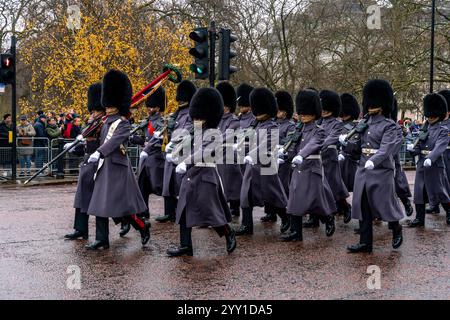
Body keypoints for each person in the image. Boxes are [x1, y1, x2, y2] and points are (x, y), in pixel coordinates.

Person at [167, 88, 237, 257]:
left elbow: (203, 152)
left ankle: (227, 232)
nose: (196, 119)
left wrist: (185, 161)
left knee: (210, 213)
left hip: (206, 176)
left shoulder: (215, 134)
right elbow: (186, 148)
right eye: (195, 116)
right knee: (183, 211)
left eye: (200, 116)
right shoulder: (194, 132)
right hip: (190, 177)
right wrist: (173, 152)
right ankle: (185, 246)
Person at [86, 69, 150, 250]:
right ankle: (101, 239)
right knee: (99, 203)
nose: (108, 107)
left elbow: (114, 141)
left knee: (124, 208)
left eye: (110, 105)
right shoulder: (105, 121)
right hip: (104, 167)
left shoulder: (122, 123)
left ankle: (143, 227)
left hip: (118, 169)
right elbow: (96, 139)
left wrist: (99, 152)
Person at [347, 79, 404, 253]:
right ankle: (365, 242)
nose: (371, 107)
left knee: (384, 204)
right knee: (363, 206)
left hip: (381, 171)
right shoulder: (364, 124)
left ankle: (396, 228)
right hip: (363, 170)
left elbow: (387, 148)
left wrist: (375, 159)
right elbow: (357, 148)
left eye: (374, 103)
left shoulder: (390, 126)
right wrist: (347, 142)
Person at [280, 89, 336, 241]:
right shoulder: (298, 129)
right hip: (298, 169)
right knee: (295, 199)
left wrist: (301, 155)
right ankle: (296, 233)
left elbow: (313, 144)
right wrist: (283, 154)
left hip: (312, 169)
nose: (303, 115)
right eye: (302, 112)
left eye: (306, 112)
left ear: (313, 113)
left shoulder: (320, 131)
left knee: (315, 201)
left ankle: (328, 218)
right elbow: (291, 147)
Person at [237, 87, 289, 236]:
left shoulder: (272, 126)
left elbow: (265, 145)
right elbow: (248, 141)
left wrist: (251, 154)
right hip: (252, 166)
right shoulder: (255, 125)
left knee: (272, 196)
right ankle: (247, 226)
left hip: (266, 166)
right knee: (245, 195)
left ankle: (285, 218)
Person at [65, 83, 104, 241]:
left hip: (100, 163)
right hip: (88, 163)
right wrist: (74, 148)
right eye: (92, 110)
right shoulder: (92, 122)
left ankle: (133, 223)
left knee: (104, 201)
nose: (92, 113)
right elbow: (86, 145)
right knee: (82, 197)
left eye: (95, 110)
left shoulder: (105, 123)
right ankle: (81, 229)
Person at [407, 93, 450, 227]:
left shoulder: (443, 130)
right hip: (422, 163)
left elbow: (440, 146)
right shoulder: (424, 128)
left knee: (439, 191)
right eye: (429, 115)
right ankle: (420, 219)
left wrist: (430, 158)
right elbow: (419, 145)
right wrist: (413, 149)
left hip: (435, 164)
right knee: (419, 192)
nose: (430, 117)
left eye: (432, 115)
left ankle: (449, 212)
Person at [157, 80, 197, 223]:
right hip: (172, 154)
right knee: (168, 184)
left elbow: (187, 131)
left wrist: (173, 143)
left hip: (182, 153)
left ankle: (183, 212)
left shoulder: (191, 114)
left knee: (181, 185)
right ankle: (169, 212)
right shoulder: (178, 113)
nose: (180, 101)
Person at [261, 91, 295, 223]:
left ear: (285, 112)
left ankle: (286, 213)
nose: (278, 113)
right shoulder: (272, 123)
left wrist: (282, 151)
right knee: (269, 186)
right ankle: (270, 212)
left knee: (281, 187)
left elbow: (289, 142)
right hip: (270, 158)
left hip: (282, 159)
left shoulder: (290, 125)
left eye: (280, 110)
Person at [136, 86, 166, 221]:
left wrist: (147, 147)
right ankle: (144, 211)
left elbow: (158, 140)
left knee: (159, 186)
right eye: (149, 106)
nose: (149, 109)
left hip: (156, 157)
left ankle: (172, 210)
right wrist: (136, 139)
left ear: (158, 108)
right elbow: (143, 138)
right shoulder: (146, 121)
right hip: (145, 158)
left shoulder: (161, 122)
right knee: (142, 185)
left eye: (152, 106)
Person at [216, 81, 242, 218]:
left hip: (230, 154)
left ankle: (235, 207)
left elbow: (228, 134)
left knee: (232, 181)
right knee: (222, 182)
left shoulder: (234, 120)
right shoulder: (218, 119)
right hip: (219, 154)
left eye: (224, 106)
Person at [426, 89, 450, 214]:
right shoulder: (435, 123)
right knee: (436, 181)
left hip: (448, 154)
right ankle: (434, 204)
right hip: (438, 155)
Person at [391, 99, 413, 217]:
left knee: (398, 185)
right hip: (375, 161)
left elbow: (396, 143)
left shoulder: (394, 126)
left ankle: (406, 202)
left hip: (392, 160)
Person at [338, 93, 361, 195]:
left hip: (348, 162)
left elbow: (355, 147)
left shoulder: (354, 127)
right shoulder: (337, 125)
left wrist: (346, 144)